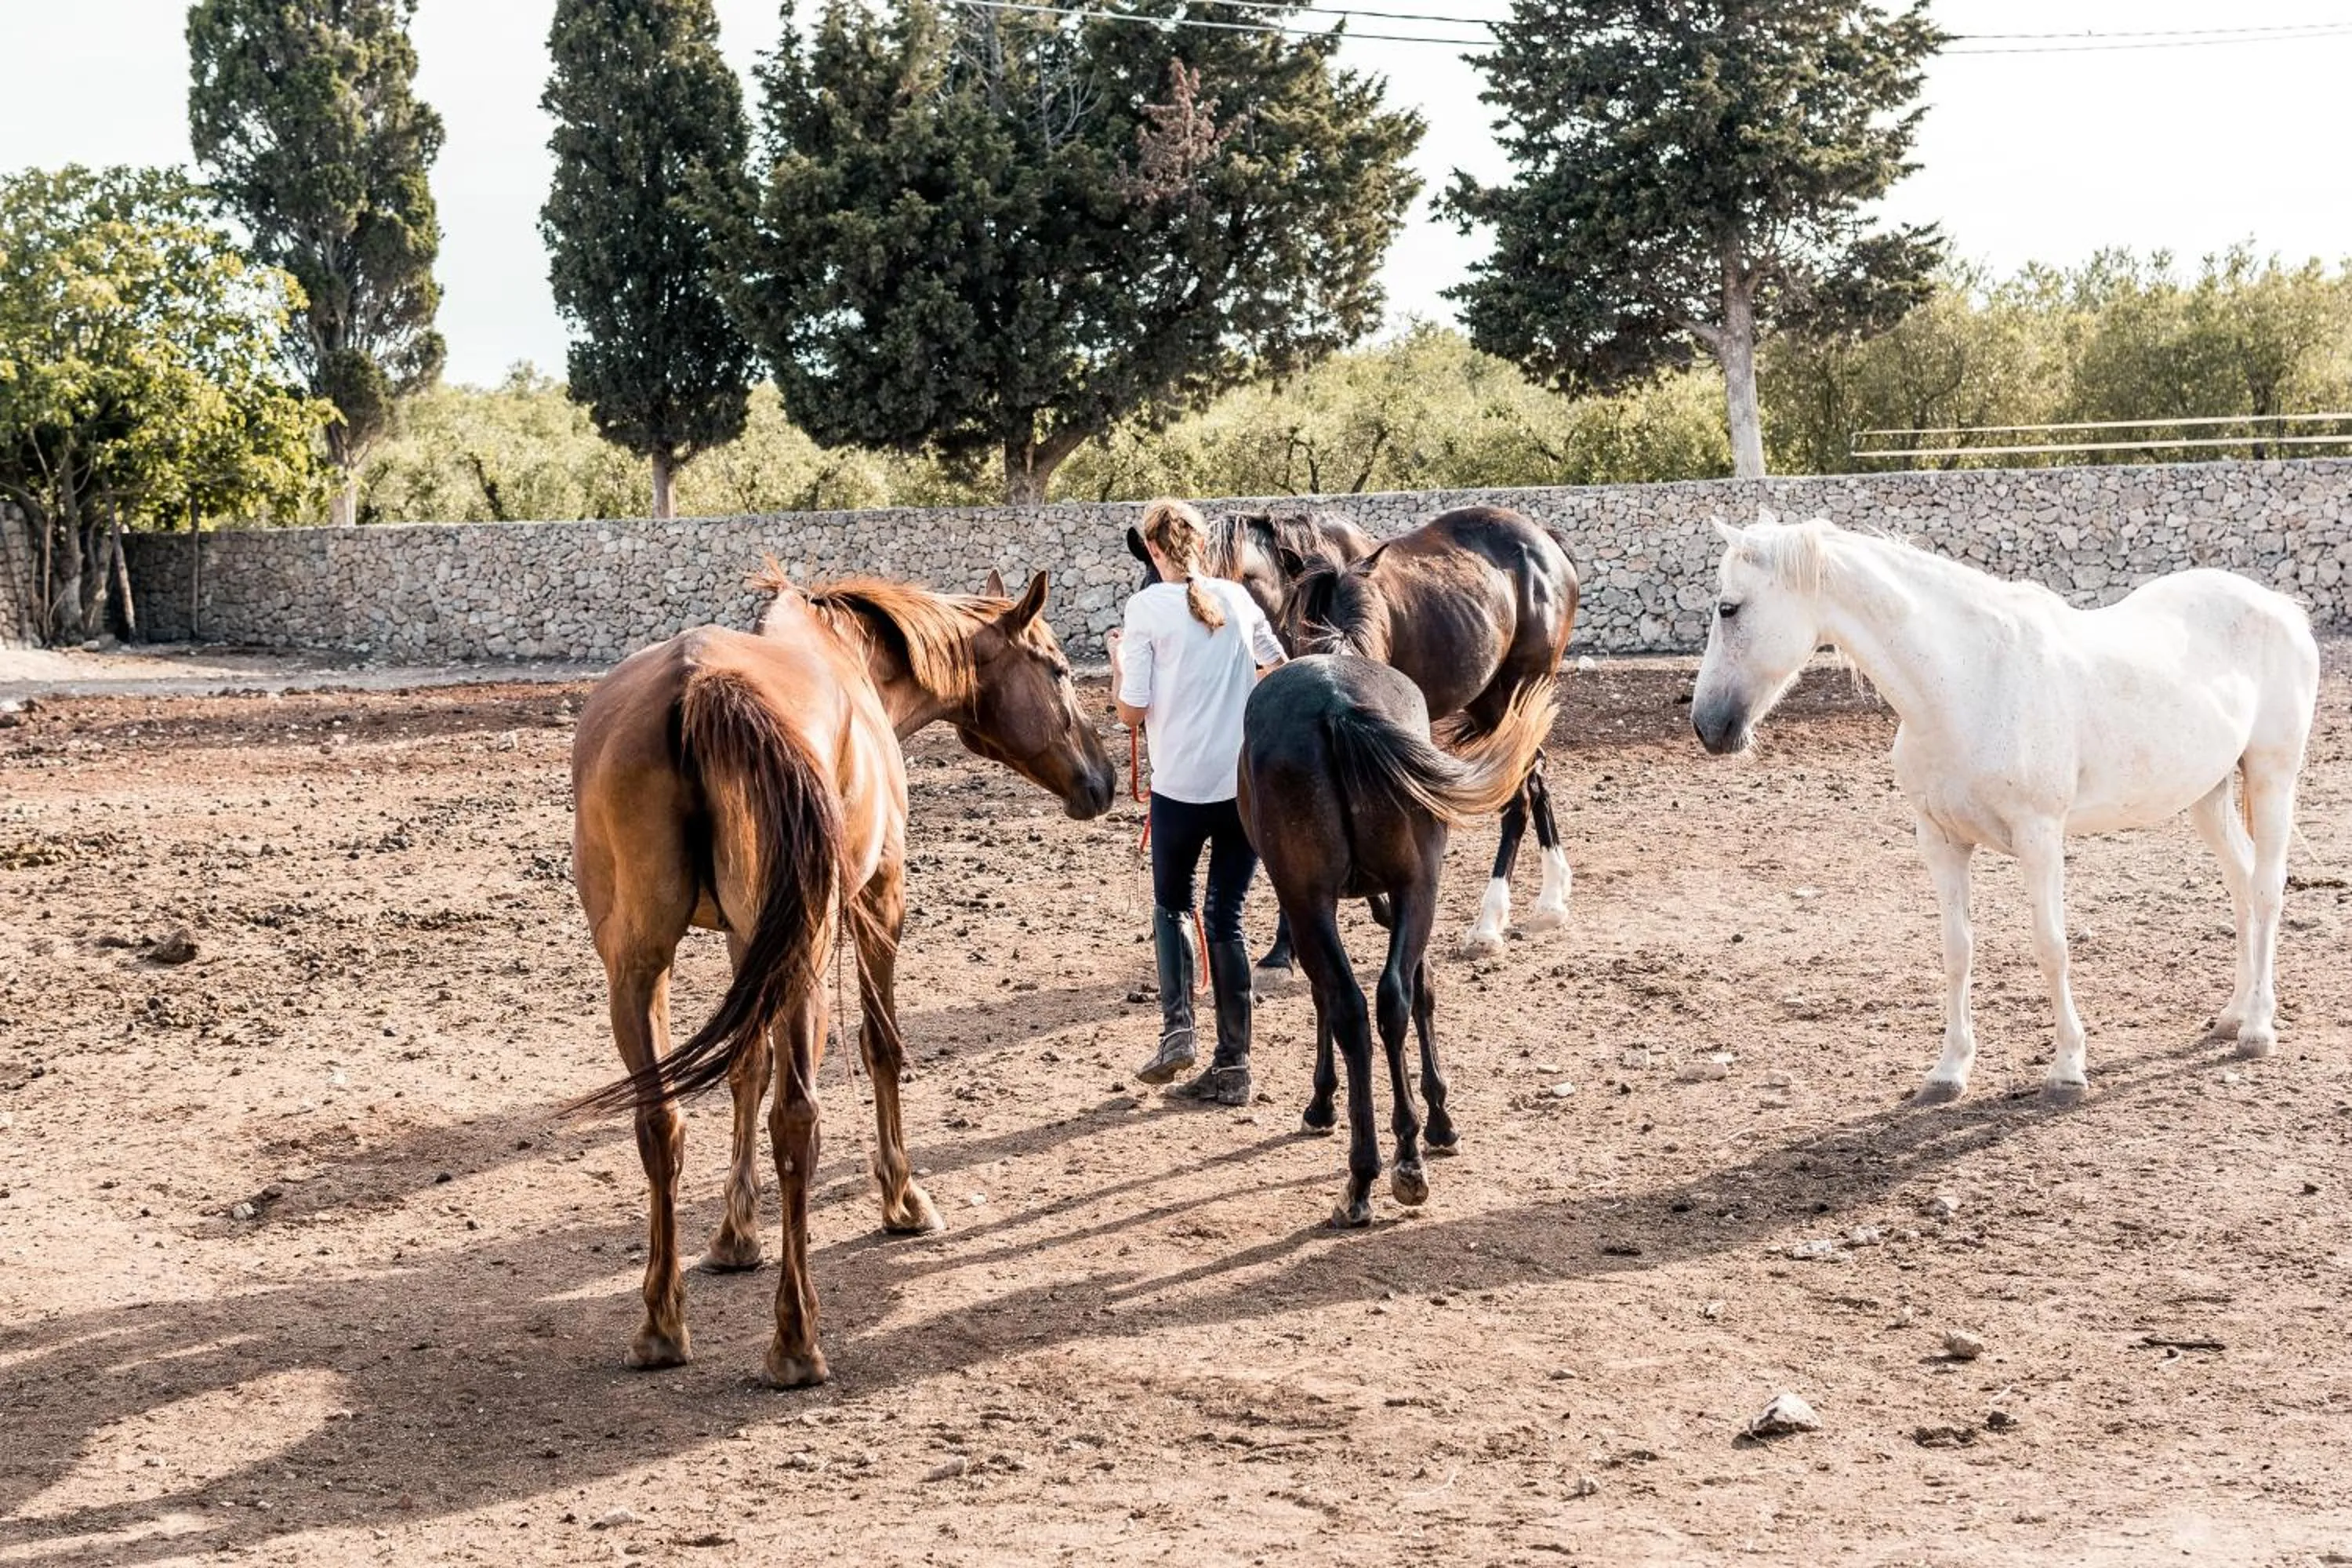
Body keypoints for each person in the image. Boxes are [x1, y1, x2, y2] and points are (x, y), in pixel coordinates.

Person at [1108, 498, 1286, 1105]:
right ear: (1201, 546)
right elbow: (1277, 667)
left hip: (1179, 789)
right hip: (1240, 788)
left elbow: (1131, 709)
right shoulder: (1237, 600)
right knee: (1227, 918)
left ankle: (1177, 1029)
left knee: (1172, 907)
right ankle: (1234, 1065)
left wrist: (1114, 663)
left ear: (1153, 550)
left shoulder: (1144, 608)